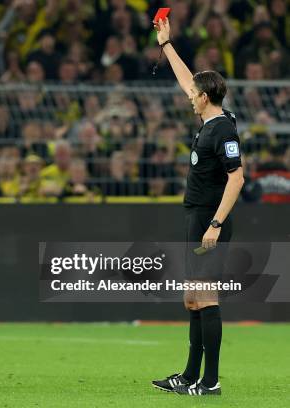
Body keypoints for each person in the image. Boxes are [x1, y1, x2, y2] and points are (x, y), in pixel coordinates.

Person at [151, 18, 244, 396]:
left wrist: (217, 223)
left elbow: (237, 177)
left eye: (194, 93)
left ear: (205, 97)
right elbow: (187, 78)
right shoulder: (211, 121)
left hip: (209, 220)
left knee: (206, 296)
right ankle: (189, 376)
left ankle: (211, 381)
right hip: (197, 218)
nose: (189, 95)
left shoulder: (222, 129)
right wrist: (167, 45)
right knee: (192, 299)